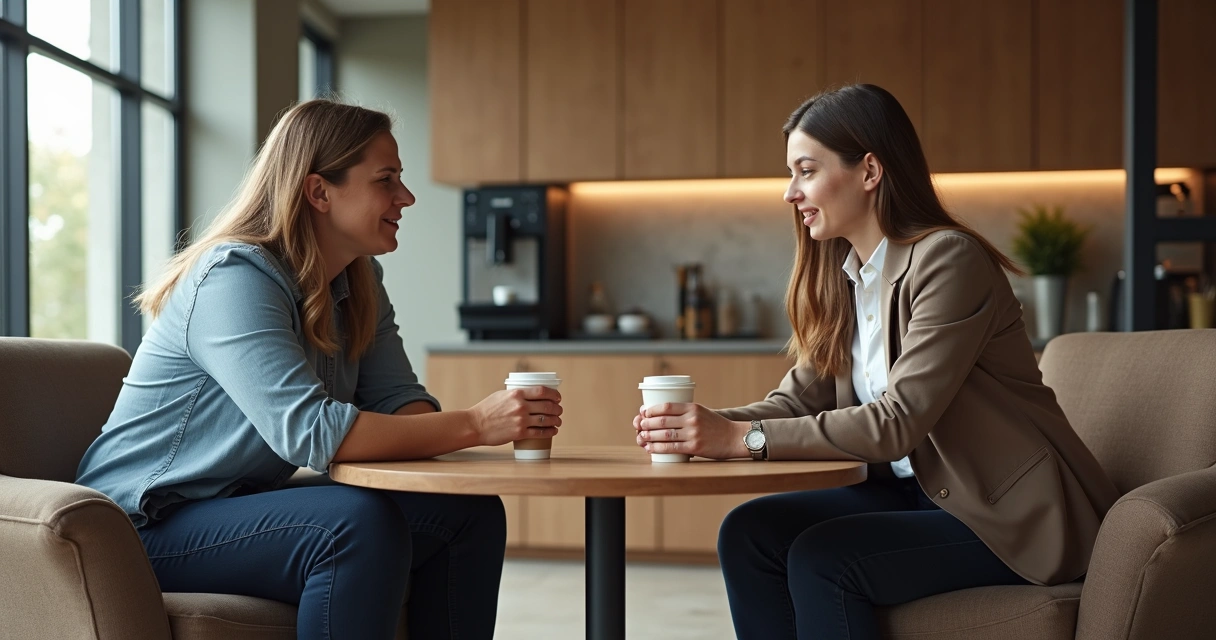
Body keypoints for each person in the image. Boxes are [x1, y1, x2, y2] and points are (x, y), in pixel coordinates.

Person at [633, 84, 1120, 639]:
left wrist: (740, 441)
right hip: (914, 493)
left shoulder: (947, 261)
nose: (790, 193)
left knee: (826, 557)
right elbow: (795, 401)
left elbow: (898, 422)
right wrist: (701, 428)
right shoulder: (846, 277)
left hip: (1003, 514)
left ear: (869, 171)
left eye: (806, 170)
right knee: (749, 532)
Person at [76, 99, 563, 640]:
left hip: (232, 505)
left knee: (467, 515)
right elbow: (310, 432)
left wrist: (438, 451)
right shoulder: (233, 277)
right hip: (143, 525)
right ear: (319, 191)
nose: (406, 197)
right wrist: (476, 424)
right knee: (353, 526)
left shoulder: (359, 280)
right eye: (387, 180)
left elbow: (399, 399)